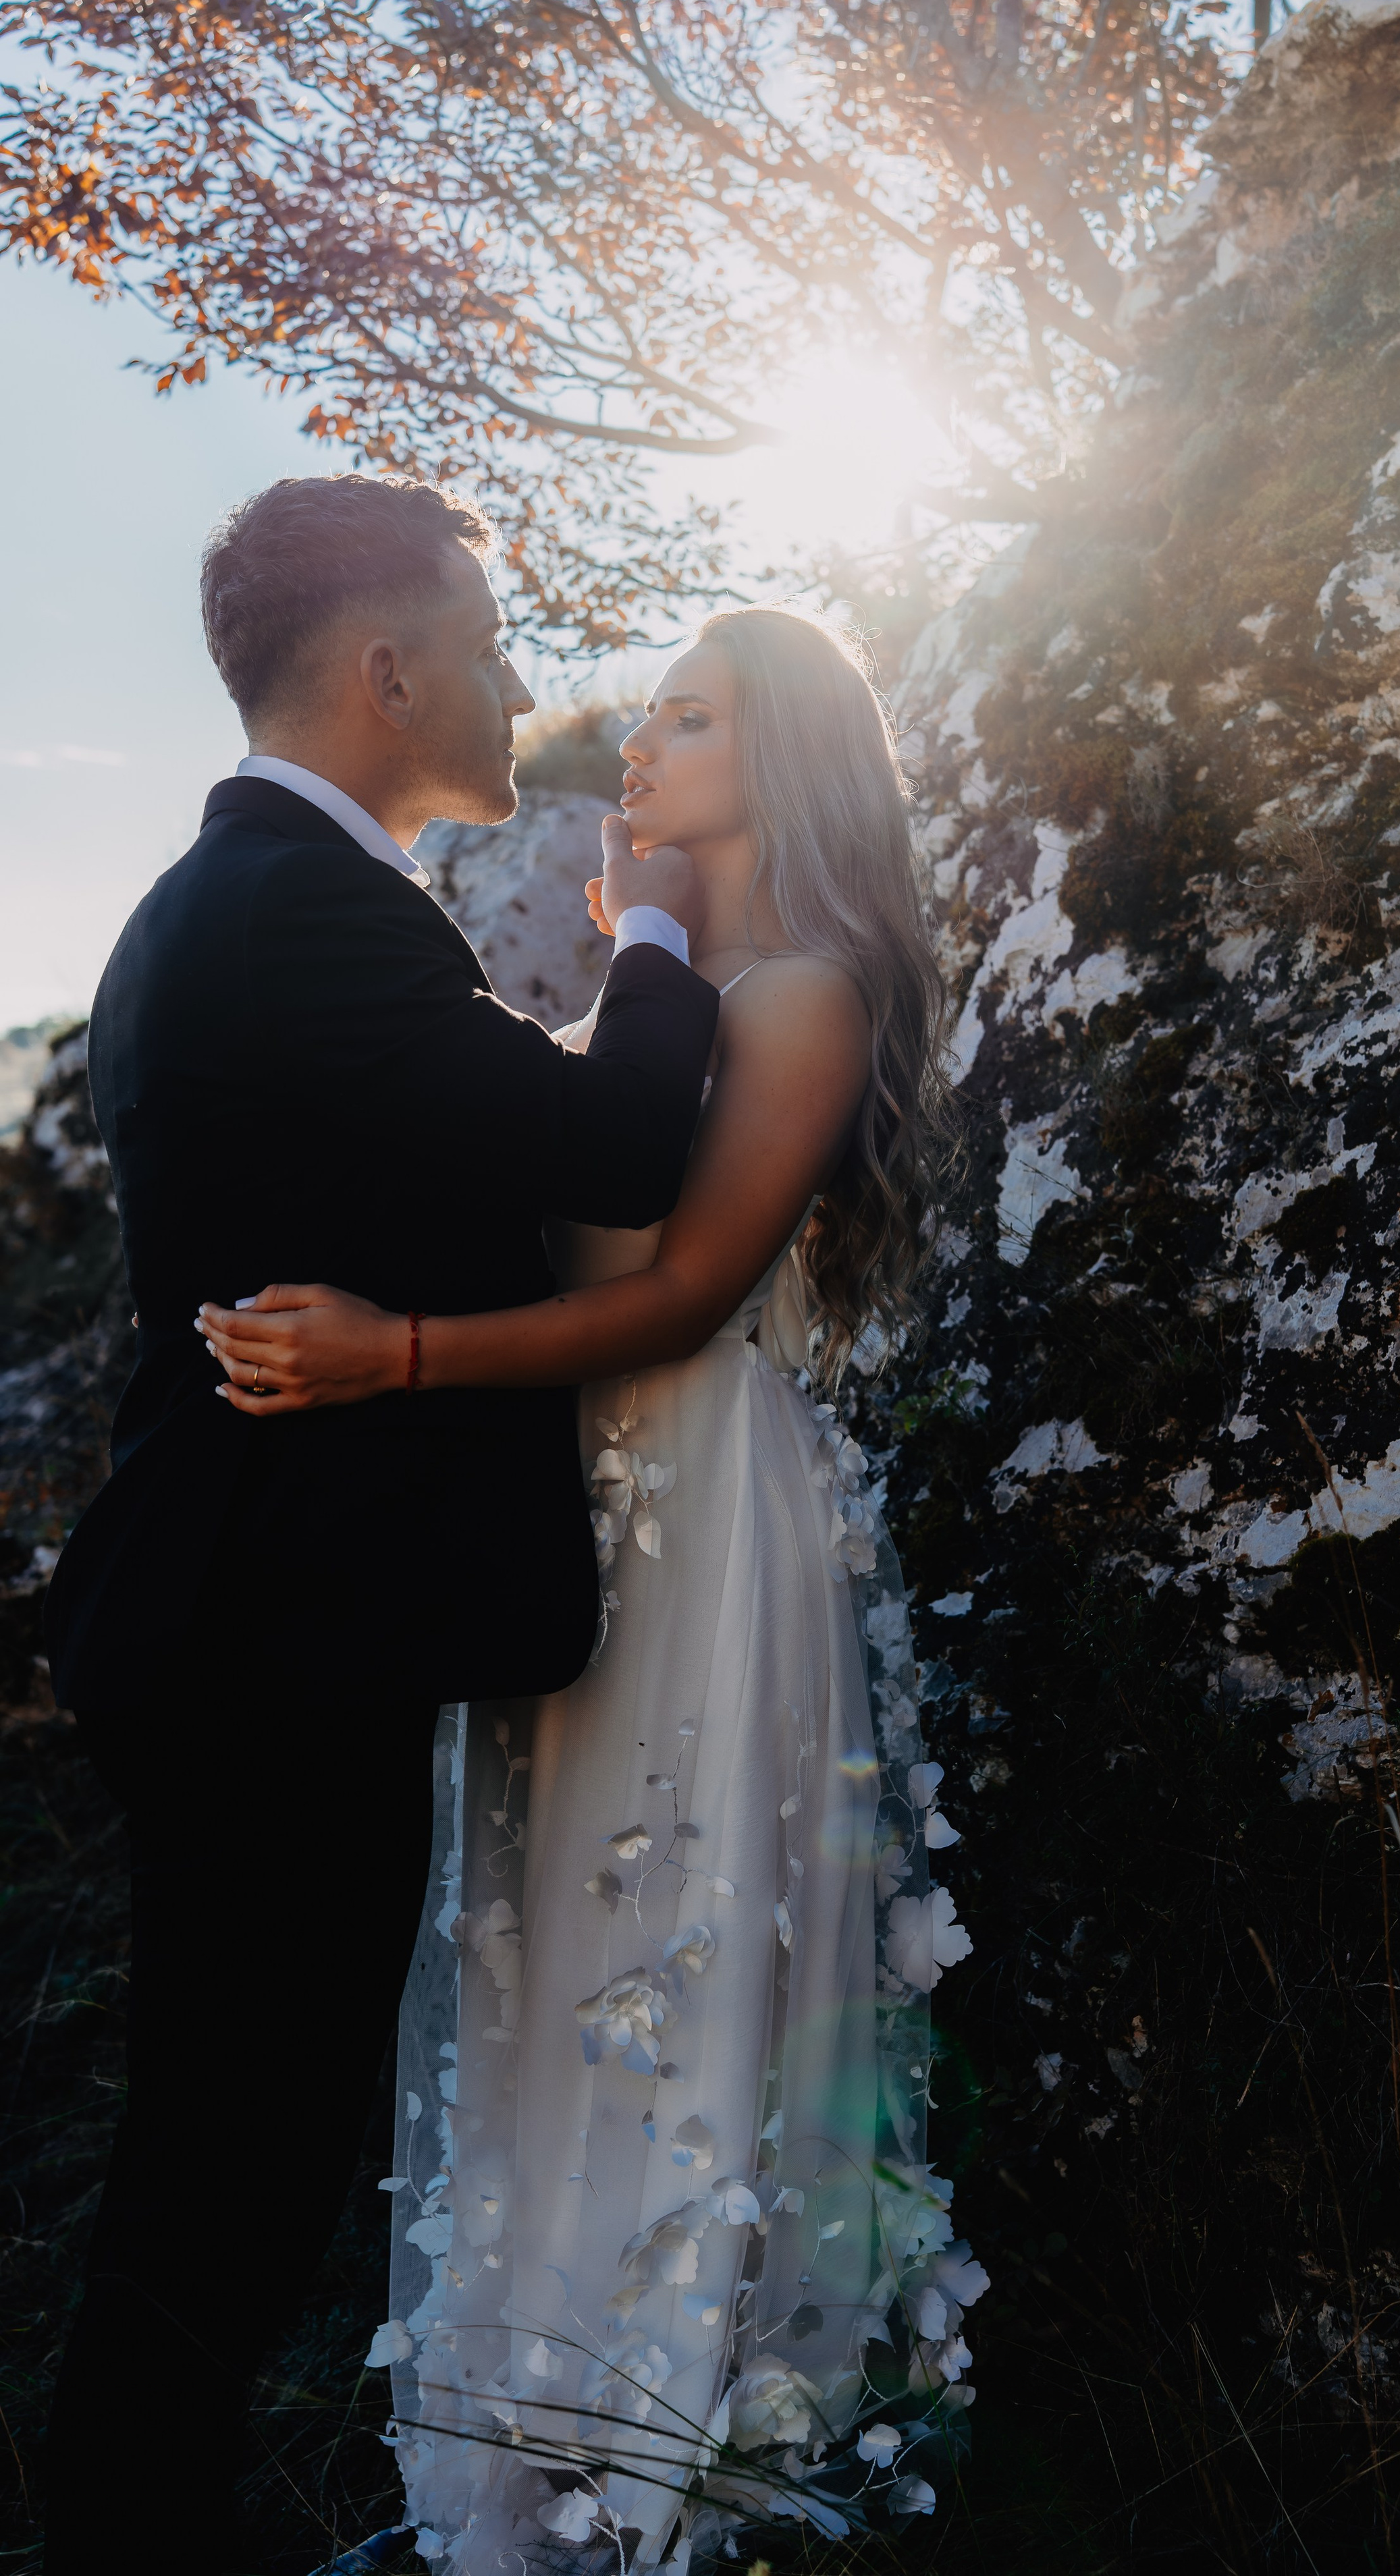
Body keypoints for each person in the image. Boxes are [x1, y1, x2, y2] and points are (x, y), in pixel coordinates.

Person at [196, 608, 984, 2571]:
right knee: (544, 1953)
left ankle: (681, 2444)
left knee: (681, 1941)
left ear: (785, 753)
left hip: (712, 1511)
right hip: (567, 1521)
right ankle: (536, 2432)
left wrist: (387, 1356)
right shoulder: (665, 988)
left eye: (694, 717)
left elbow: (685, 1293)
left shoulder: (803, 990)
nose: (642, 743)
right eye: (650, 713)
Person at [41, 474, 719, 2576]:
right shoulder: (291, 909)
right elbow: (613, 1127)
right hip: (264, 1635)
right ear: (391, 667)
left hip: (254, 1612)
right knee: (228, 2169)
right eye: (495, 643)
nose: (523, 687)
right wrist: (659, 929)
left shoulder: (246, 898)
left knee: (234, 2154)